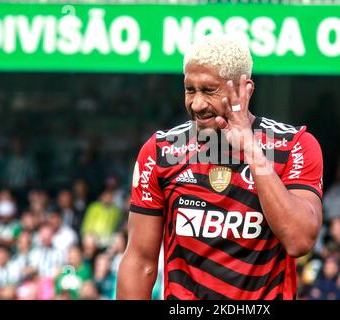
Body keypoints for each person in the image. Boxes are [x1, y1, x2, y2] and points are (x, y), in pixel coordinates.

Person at [117, 34, 323, 300]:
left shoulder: (294, 145)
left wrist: (249, 147)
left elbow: (299, 240)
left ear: (244, 89)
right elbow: (140, 261)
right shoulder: (161, 151)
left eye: (209, 90)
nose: (197, 104)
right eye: (190, 90)